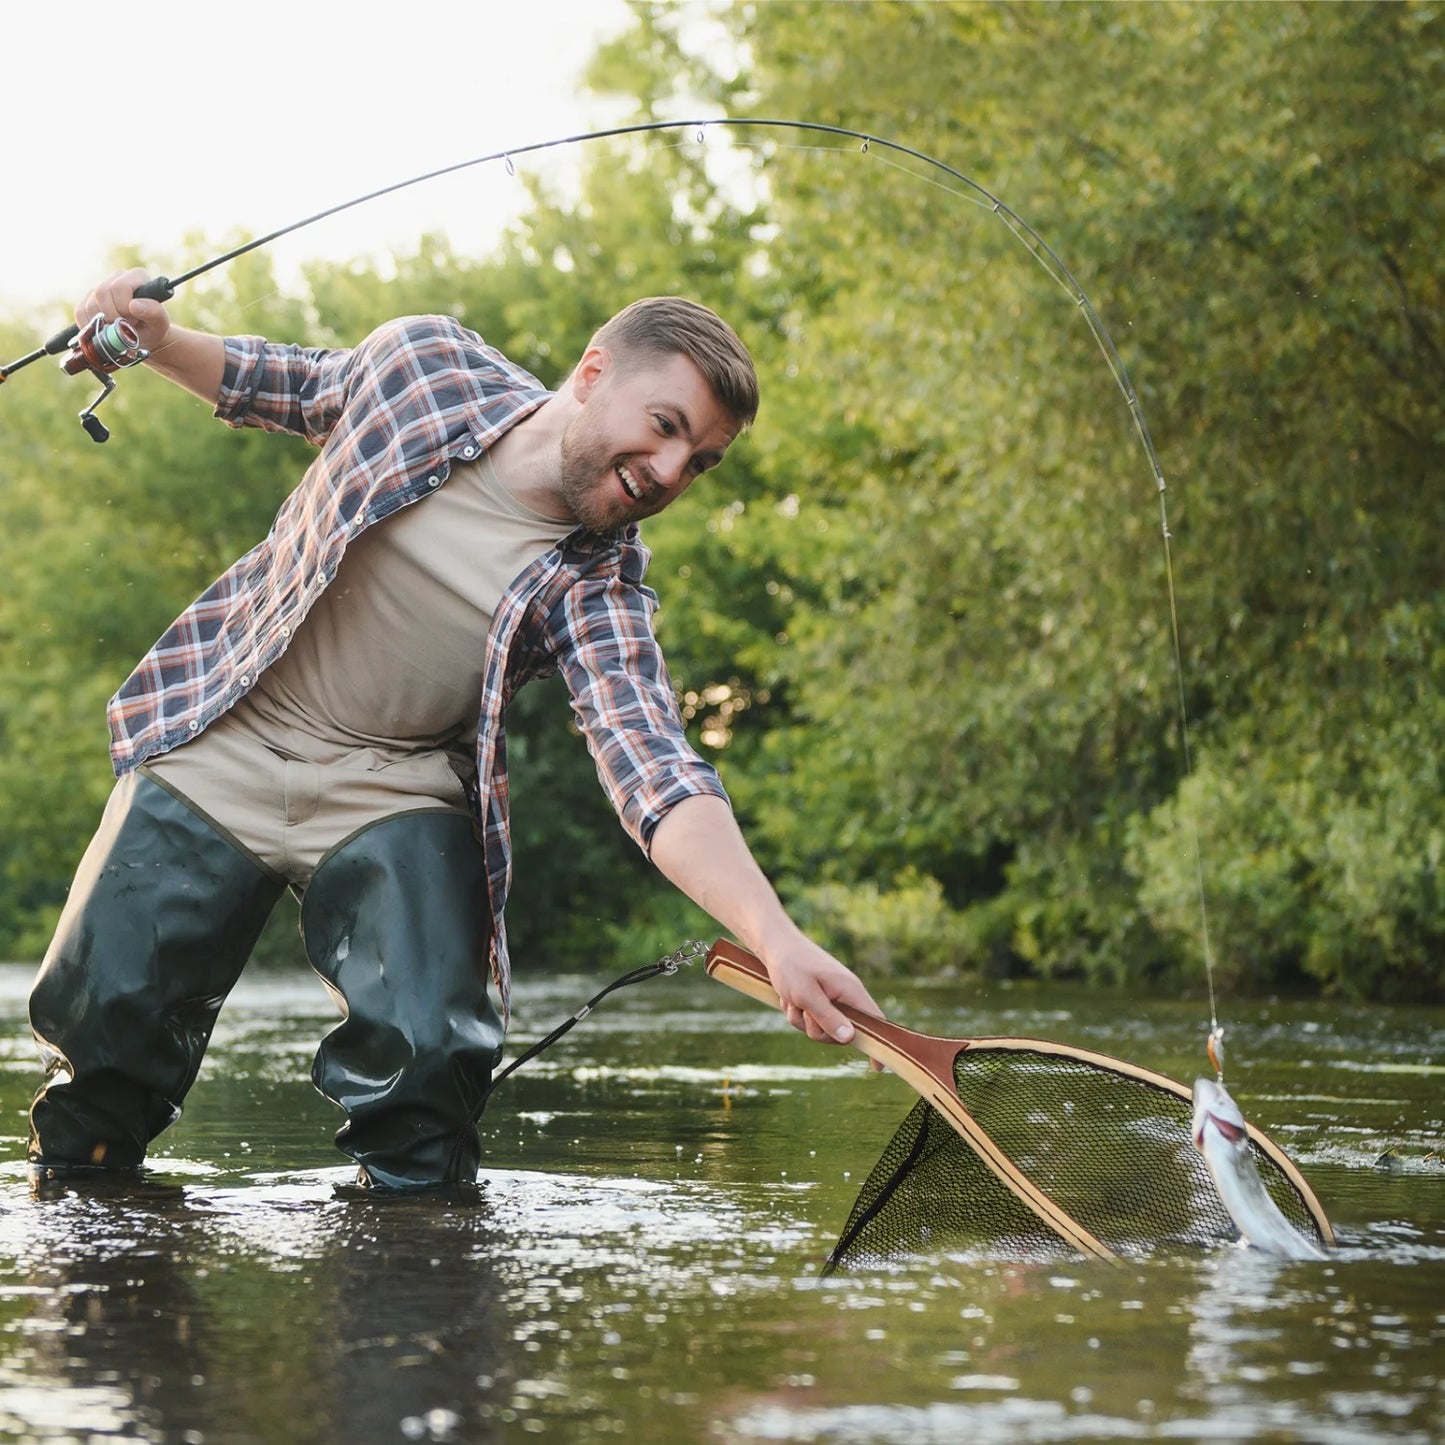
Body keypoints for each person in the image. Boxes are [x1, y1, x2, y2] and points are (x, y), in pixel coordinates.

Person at [27, 270, 883, 1193]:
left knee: (430, 1075)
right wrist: (153, 339)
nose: (669, 475)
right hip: (225, 733)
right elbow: (285, 382)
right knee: (100, 1050)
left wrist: (775, 935)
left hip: (394, 785)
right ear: (592, 372)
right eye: (667, 427)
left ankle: (416, 1309)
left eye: (700, 462)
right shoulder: (426, 366)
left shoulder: (601, 583)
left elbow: (655, 771)